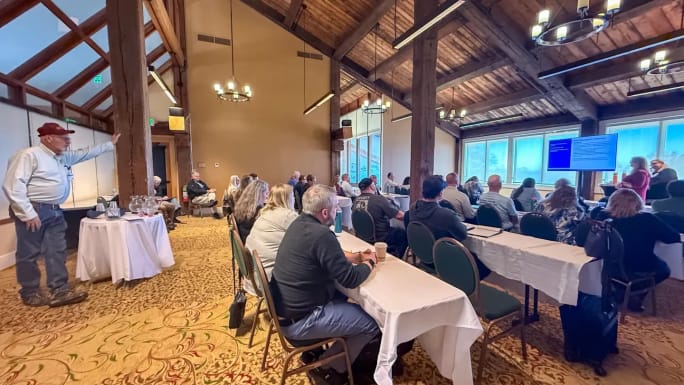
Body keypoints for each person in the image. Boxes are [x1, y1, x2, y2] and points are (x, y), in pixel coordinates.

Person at [3, 122, 120, 307]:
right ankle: (30, 292)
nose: (68, 141)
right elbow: (13, 186)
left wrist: (109, 144)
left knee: (56, 250)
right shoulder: (29, 155)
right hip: (35, 209)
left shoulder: (61, 157)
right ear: (48, 138)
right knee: (29, 253)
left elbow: (84, 153)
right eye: (64, 138)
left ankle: (59, 289)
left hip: (55, 210)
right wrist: (27, 213)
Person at [271, 184, 379, 383]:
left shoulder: (299, 224)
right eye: (336, 207)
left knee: (344, 299)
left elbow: (319, 255)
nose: (338, 210)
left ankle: (337, 355)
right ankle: (329, 368)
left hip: (286, 313)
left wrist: (354, 257)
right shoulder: (322, 235)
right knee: (371, 325)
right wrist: (370, 262)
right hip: (301, 322)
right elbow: (351, 279)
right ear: (324, 212)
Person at [597, 188, 679, 311]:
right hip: (639, 267)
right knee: (664, 270)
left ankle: (620, 290)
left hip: (608, 266)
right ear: (637, 203)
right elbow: (673, 237)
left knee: (626, 267)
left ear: (612, 201)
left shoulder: (602, 216)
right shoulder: (647, 219)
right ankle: (635, 294)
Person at [405, 175, 490, 279]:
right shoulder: (446, 215)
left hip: (423, 255)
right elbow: (462, 235)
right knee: (484, 264)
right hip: (444, 258)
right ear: (441, 193)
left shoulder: (413, 208)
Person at [244, 183, 298, 295]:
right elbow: (311, 237)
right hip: (270, 282)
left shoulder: (264, 213)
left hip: (255, 277)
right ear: (287, 199)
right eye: (292, 196)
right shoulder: (287, 216)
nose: (294, 199)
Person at [352, 178, 408, 257]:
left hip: (362, 236)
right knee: (403, 234)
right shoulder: (379, 199)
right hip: (380, 237)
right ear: (372, 186)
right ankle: (394, 258)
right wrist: (410, 215)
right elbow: (399, 216)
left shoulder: (355, 200)